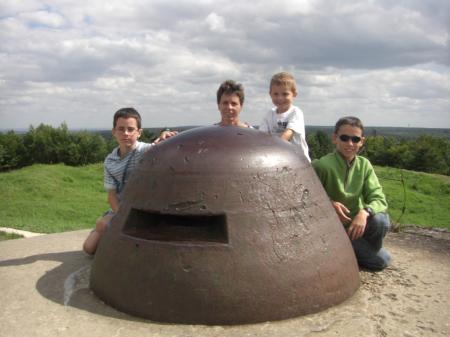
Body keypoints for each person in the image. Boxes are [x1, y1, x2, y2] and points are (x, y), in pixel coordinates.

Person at [82, 107, 176, 255]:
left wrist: (165, 134)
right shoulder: (110, 161)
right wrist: (121, 216)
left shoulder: (147, 151)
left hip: (141, 207)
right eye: (121, 129)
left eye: (131, 129)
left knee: (109, 230)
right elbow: (112, 195)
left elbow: (162, 145)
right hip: (121, 208)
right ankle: (110, 234)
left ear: (139, 132)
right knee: (89, 248)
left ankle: (115, 237)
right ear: (114, 132)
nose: (125, 133)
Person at [312, 116, 391, 271]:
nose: (350, 143)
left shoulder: (364, 165)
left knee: (381, 220)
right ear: (335, 138)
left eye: (355, 139)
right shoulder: (321, 165)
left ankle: (352, 251)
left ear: (362, 141)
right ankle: (349, 250)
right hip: (334, 229)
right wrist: (329, 203)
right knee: (382, 261)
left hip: (357, 226)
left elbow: (379, 198)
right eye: (344, 138)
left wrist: (364, 212)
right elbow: (305, 195)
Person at [259, 72, 310, 161]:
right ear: (270, 94)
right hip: (278, 160)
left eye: (285, 94)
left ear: (294, 94)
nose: (280, 98)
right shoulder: (269, 114)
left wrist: (273, 147)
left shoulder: (295, 112)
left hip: (299, 161)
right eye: (276, 94)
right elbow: (262, 136)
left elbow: (288, 134)